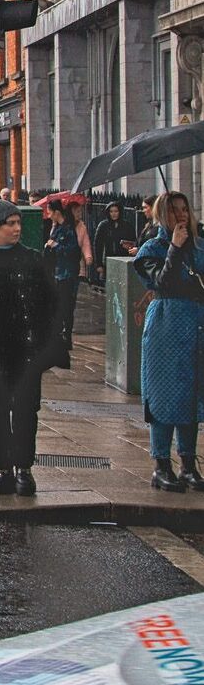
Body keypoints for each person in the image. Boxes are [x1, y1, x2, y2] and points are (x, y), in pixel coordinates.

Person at [0, 199, 60, 495]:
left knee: (27, 410)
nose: (17, 229)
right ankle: (3, 469)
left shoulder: (32, 258)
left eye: (19, 223)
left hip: (26, 348)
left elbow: (49, 302)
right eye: (11, 223)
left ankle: (24, 468)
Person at [133, 192, 204, 493]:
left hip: (195, 323)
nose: (181, 214)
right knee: (163, 393)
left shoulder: (199, 247)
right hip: (165, 323)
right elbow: (161, 282)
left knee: (192, 393)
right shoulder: (152, 247)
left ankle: (188, 462)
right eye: (174, 210)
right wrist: (174, 247)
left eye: (184, 208)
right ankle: (161, 464)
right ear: (163, 214)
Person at [44, 199, 92, 350]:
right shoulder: (57, 228)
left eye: (50, 211)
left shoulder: (68, 229)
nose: (48, 214)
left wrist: (56, 246)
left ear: (57, 212)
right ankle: (59, 335)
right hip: (58, 272)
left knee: (66, 306)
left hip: (67, 273)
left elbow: (73, 251)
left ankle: (65, 336)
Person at [92, 201, 137, 283]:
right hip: (108, 260)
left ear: (120, 212)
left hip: (124, 259)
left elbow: (133, 242)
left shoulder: (127, 226)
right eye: (111, 211)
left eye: (116, 211)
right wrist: (99, 264)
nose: (113, 214)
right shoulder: (103, 226)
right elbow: (98, 245)